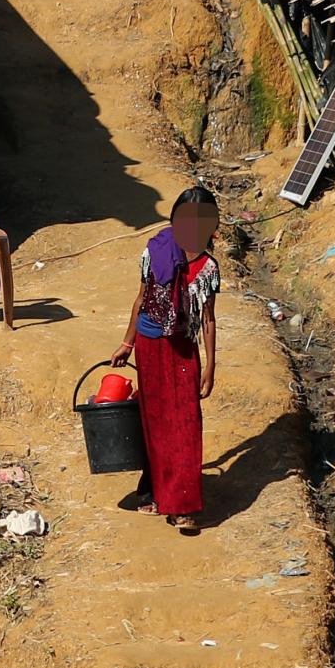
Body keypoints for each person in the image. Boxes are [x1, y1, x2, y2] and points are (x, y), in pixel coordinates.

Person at [111, 184, 220, 533]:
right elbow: (141, 298)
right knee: (156, 424)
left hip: (181, 353)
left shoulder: (207, 267)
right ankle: (158, 495)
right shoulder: (156, 249)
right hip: (148, 346)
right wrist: (126, 344)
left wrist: (211, 366)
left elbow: (208, 320)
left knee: (185, 427)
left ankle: (182, 506)